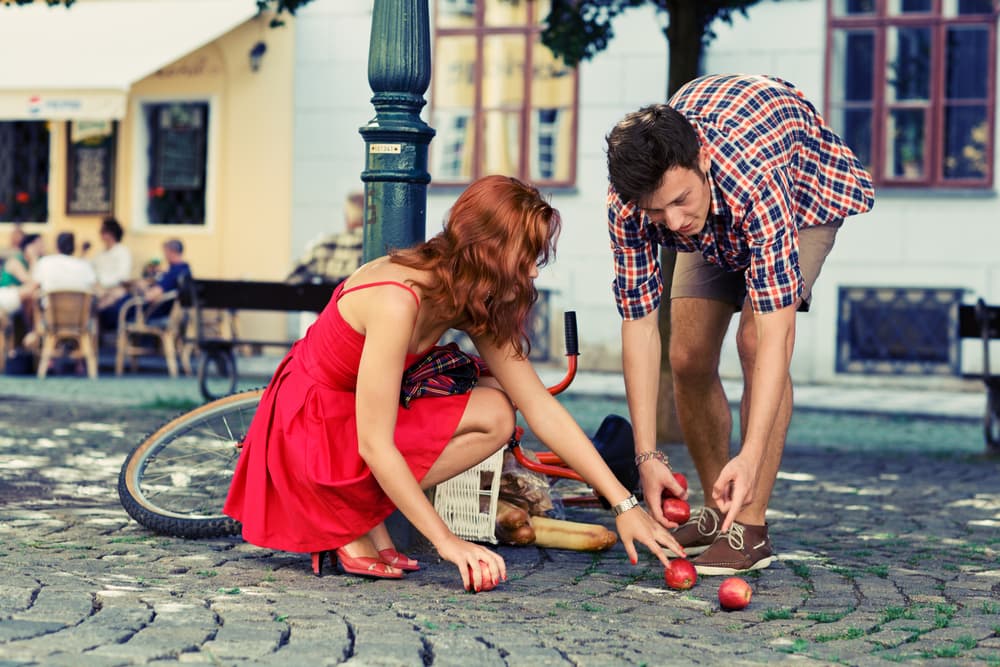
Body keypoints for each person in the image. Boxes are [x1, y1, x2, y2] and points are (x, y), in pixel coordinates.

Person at [224, 175, 683, 590]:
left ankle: (358, 513)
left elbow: (540, 407)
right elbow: (375, 444)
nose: (534, 272)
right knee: (452, 422)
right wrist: (448, 543)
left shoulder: (471, 297)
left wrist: (624, 504)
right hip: (312, 426)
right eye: (526, 258)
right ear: (491, 253)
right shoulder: (397, 300)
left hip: (356, 421)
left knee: (498, 412)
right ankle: (348, 517)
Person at [604, 74, 875, 576]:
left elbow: (776, 335)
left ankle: (748, 523)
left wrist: (749, 455)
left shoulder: (755, 175)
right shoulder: (633, 205)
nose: (675, 221)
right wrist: (646, 455)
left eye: (681, 200)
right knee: (686, 354)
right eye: (657, 211)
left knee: (753, 341)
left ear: (702, 158)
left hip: (802, 200)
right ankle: (717, 510)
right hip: (725, 210)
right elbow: (640, 325)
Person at [89, 217, 134, 312]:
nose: (100, 234)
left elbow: (122, 276)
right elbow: (91, 269)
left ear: (111, 233)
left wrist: (102, 284)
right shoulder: (100, 253)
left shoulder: (122, 252)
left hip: (114, 291)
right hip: (98, 291)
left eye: (103, 231)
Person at [33, 232, 97, 295]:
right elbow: (95, 288)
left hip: (51, 305)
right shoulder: (85, 265)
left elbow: (34, 285)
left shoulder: (45, 262)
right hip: (79, 305)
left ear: (57, 246)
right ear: (74, 247)